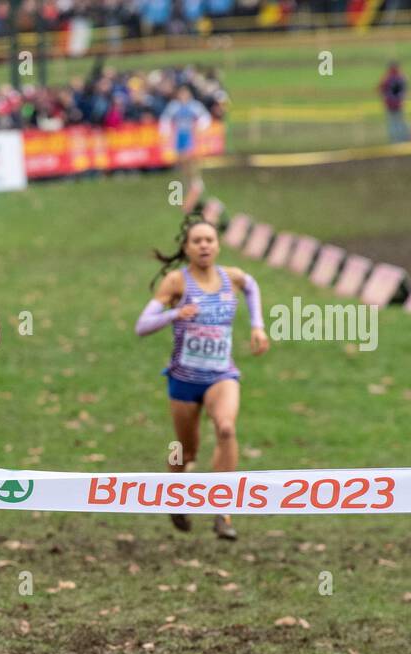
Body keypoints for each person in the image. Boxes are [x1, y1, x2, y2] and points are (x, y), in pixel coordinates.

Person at [135, 215, 269, 541]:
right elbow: (141, 326)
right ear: (187, 248)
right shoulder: (176, 283)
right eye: (197, 241)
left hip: (221, 375)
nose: (204, 245)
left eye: (209, 239)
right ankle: (174, 496)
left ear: (218, 245)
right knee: (187, 451)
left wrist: (257, 325)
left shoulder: (232, 278)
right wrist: (174, 314)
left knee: (226, 428)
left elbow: (252, 286)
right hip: (183, 379)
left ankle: (223, 511)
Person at [159, 85, 212, 214]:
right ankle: (184, 192)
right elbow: (165, 120)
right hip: (178, 140)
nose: (183, 96)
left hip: (190, 139)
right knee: (181, 166)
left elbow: (205, 118)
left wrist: (199, 128)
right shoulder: (174, 106)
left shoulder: (194, 106)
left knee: (190, 163)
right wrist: (166, 133)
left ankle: (196, 186)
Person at [379, 62, 408, 145]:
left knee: (393, 123)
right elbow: (404, 89)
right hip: (398, 104)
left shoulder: (387, 78)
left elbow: (380, 88)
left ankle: (396, 142)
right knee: (399, 122)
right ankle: (402, 141)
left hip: (391, 104)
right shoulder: (401, 77)